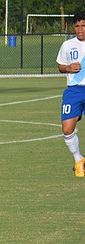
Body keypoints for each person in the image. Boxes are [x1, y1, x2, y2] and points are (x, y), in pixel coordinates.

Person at [56, 13, 85, 177]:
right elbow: (61, 66)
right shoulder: (67, 45)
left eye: (83, 26)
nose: (80, 29)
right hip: (74, 90)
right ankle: (78, 160)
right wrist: (68, 68)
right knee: (67, 129)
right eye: (77, 26)